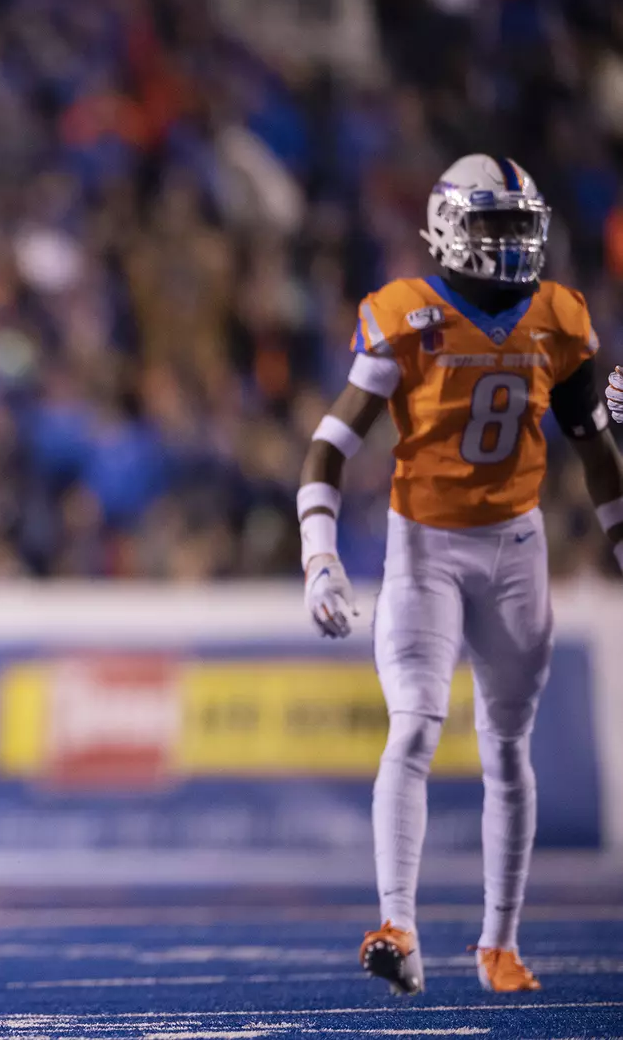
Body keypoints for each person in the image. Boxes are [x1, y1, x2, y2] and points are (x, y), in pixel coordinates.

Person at [297, 154, 623, 995]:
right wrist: (319, 554)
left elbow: (595, 446)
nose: (512, 243)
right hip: (425, 547)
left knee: (507, 748)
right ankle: (398, 927)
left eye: (521, 226)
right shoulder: (407, 314)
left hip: (517, 548)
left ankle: (499, 944)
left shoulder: (561, 317)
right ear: (447, 227)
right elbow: (331, 443)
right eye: (493, 226)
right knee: (413, 725)